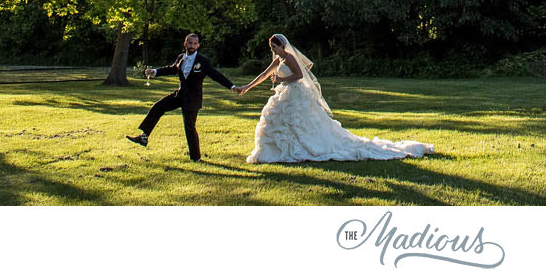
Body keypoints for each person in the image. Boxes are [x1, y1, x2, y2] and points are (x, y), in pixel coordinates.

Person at [237, 34, 434, 163]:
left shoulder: (289, 58)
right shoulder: (277, 60)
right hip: (284, 93)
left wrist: (281, 78)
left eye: (275, 47)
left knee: (301, 124)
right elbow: (263, 75)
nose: (273, 50)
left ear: (282, 46)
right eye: (272, 47)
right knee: (276, 121)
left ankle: (301, 149)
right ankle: (275, 152)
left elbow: (297, 76)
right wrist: (247, 87)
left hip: (295, 93)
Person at [126, 32, 240, 161]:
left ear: (198, 46)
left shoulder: (203, 61)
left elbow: (216, 75)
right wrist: (155, 72)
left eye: (194, 44)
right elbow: (173, 69)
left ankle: (196, 158)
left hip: (193, 99)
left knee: (189, 127)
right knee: (158, 107)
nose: (192, 45)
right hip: (179, 95)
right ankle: (144, 136)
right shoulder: (181, 57)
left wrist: (232, 86)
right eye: (190, 43)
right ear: (185, 44)